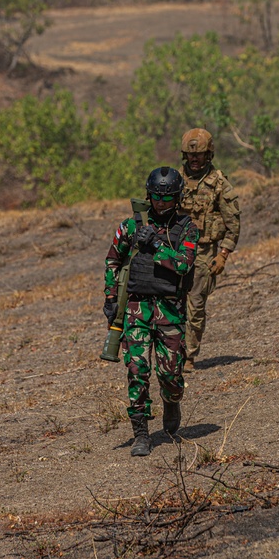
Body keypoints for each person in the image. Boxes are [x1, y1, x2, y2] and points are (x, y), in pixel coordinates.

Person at [104, 166, 199, 456]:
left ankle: (172, 402)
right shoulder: (130, 227)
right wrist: (111, 299)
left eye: (168, 198)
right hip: (136, 309)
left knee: (170, 375)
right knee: (137, 370)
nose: (161, 202)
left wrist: (156, 243)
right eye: (156, 196)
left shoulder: (187, 228)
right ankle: (141, 434)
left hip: (170, 309)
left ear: (177, 198)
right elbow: (112, 261)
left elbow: (183, 264)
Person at [177, 128, 241, 371]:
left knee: (195, 305)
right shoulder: (174, 180)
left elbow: (233, 222)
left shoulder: (219, 184)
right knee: (172, 304)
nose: (194, 159)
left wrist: (223, 253)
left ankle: (189, 355)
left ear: (209, 154)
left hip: (203, 253)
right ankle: (171, 352)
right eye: (190, 155)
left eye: (200, 154)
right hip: (175, 251)